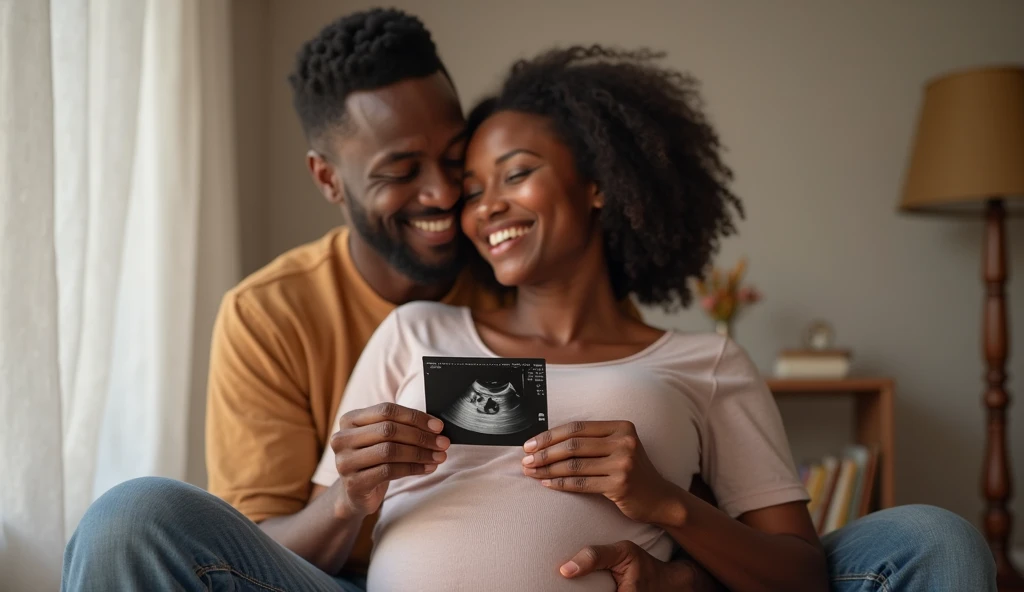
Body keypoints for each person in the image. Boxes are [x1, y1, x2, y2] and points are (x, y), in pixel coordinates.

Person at [61, 8, 996, 592]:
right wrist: (352, 498)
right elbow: (260, 552)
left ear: (598, 183)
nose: (457, 204)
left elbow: (781, 565)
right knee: (132, 516)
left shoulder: (701, 361)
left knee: (930, 538)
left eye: (491, 173)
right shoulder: (396, 327)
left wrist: (666, 514)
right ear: (329, 180)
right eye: (432, 179)